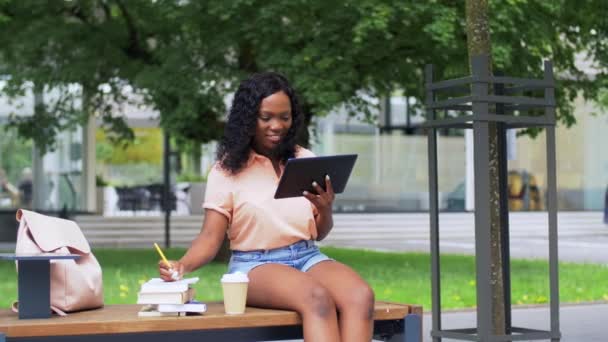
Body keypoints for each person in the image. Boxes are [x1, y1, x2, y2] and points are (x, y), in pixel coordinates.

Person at [158, 72, 374, 341]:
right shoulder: (226, 171)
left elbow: (319, 232)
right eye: (266, 117)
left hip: (307, 255)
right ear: (248, 119)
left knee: (360, 295)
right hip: (255, 265)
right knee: (317, 298)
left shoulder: (305, 159)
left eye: (285, 117)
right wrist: (182, 265)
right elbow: (210, 237)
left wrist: (326, 208)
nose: (277, 125)